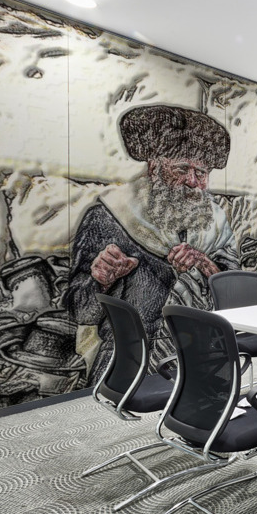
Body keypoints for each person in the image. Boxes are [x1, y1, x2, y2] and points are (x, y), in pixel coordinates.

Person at [68, 105, 239, 382]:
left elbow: (233, 290)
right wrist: (100, 280)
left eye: (202, 172)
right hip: (129, 359)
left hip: (204, 354)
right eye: (183, 168)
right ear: (155, 166)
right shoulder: (111, 214)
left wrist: (204, 262)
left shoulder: (215, 222)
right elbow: (80, 309)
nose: (193, 182)